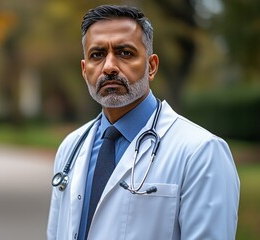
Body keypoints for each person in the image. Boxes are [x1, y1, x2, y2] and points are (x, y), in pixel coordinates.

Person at [47, 5, 240, 240]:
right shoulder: (71, 148)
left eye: (125, 52)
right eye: (97, 55)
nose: (109, 67)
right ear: (84, 69)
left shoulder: (201, 152)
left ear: (152, 66)